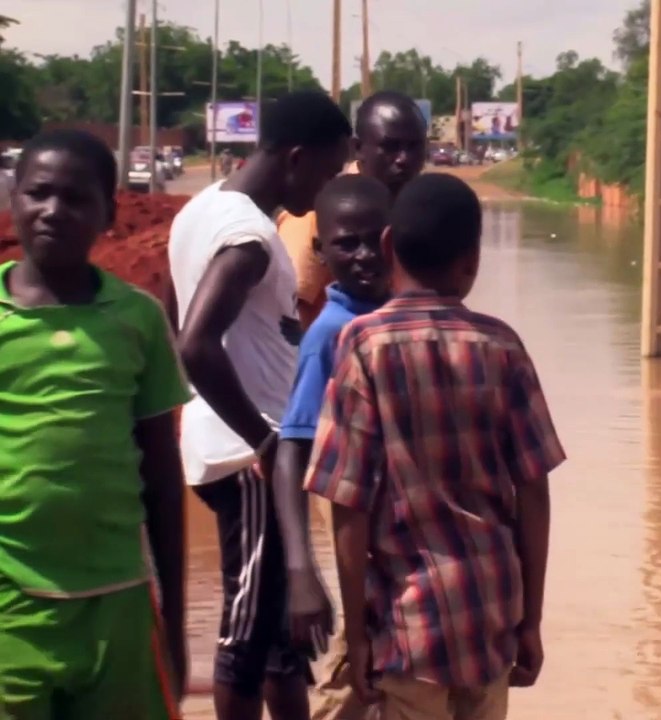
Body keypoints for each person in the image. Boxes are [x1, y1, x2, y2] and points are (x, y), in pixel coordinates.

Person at [305, 173, 566, 720]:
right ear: (473, 261)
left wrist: (357, 637)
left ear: (386, 247)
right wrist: (531, 621)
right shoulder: (503, 346)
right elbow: (534, 492)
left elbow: (347, 504)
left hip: (410, 624)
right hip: (491, 615)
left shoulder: (364, 346)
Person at [168, 90, 353, 720]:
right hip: (248, 459)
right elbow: (194, 343)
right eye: (328, 172)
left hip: (236, 445)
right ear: (297, 158)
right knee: (245, 641)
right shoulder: (247, 237)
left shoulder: (202, 210)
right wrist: (265, 441)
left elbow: (174, 317)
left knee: (279, 642)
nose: (325, 193)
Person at [0, 130, 189, 718]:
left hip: (119, 600)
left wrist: (175, 618)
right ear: (14, 200)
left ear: (108, 213)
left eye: (76, 198)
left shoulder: (139, 319)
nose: (54, 210)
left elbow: (163, 475)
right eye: (39, 193)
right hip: (10, 599)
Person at [272, 175, 393, 720]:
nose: (365, 256)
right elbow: (293, 445)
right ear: (321, 252)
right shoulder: (331, 332)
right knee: (354, 659)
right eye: (347, 244)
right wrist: (300, 568)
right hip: (359, 526)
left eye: (375, 241)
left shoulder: (398, 315)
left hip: (403, 534)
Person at [278, 90, 428, 330]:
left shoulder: (415, 212)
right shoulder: (318, 213)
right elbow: (290, 313)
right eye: (390, 146)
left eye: (414, 146)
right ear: (357, 148)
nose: (403, 159)